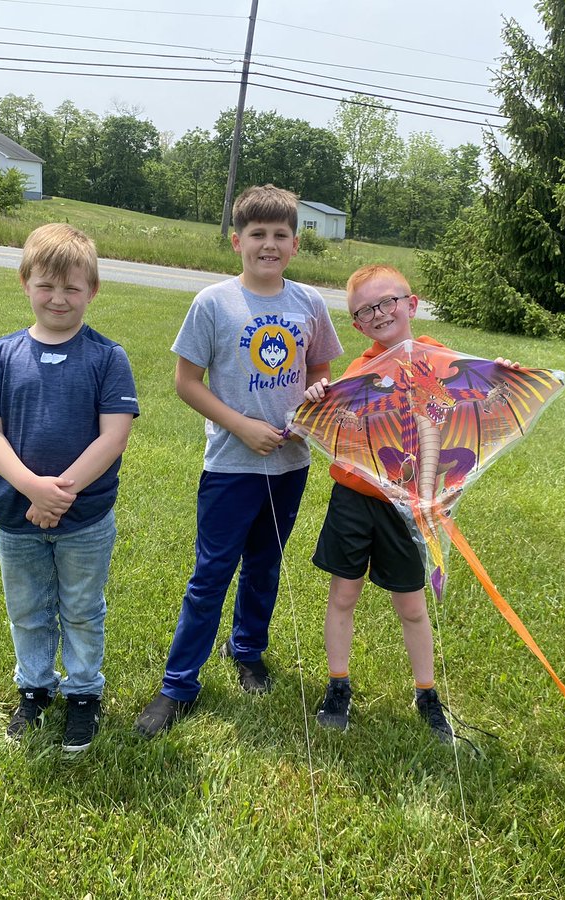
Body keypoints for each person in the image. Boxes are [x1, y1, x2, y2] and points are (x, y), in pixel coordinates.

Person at [134, 185, 343, 738]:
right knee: (211, 575)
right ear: (237, 241)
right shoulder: (213, 303)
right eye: (257, 235)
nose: (268, 245)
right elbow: (186, 382)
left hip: (290, 465)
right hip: (230, 466)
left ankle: (247, 647)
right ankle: (178, 684)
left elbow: (322, 372)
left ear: (295, 245)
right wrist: (243, 425)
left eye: (280, 236)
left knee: (265, 566)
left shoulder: (309, 304)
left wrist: (313, 404)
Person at [303, 264, 513, 744]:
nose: (379, 314)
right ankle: (338, 687)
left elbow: (477, 396)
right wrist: (319, 393)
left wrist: (496, 374)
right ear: (356, 324)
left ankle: (427, 693)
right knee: (344, 595)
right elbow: (335, 414)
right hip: (354, 500)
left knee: (413, 606)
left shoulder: (442, 361)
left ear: (411, 304)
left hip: (408, 507)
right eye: (365, 310)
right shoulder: (360, 373)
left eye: (387, 302)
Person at [0, 223, 139, 753]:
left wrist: (58, 494)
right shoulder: (1, 355)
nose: (58, 298)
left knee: (83, 609)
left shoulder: (108, 358)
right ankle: (36, 688)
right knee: (27, 608)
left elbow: (113, 437)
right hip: (13, 515)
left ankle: (84, 693)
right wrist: (29, 489)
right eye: (47, 285)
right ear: (25, 283)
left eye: (72, 288)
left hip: (85, 518)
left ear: (92, 291)